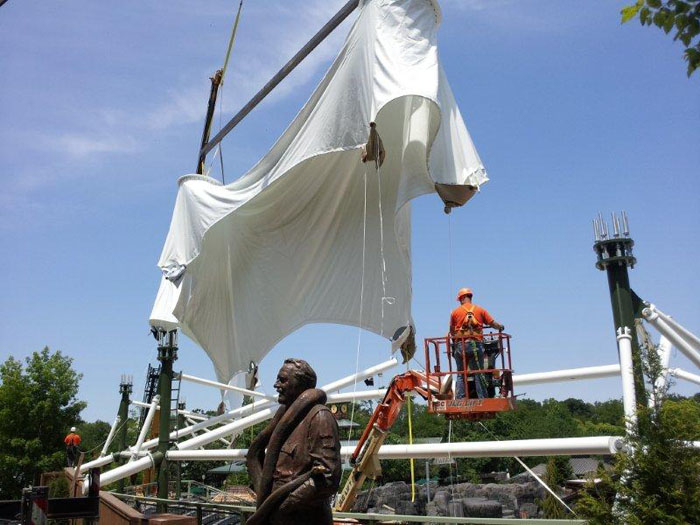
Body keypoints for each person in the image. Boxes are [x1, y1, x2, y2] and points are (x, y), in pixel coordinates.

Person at [246, 358, 341, 525]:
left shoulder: (320, 417)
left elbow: (328, 478)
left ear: (301, 384)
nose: (276, 385)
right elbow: (256, 456)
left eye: (283, 380)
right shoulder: (282, 419)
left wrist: (282, 506)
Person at [449, 288, 505, 399]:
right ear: (470, 297)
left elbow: (452, 331)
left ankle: (460, 398)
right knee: (479, 373)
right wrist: (500, 327)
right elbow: (492, 323)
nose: (459, 301)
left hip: (461, 346)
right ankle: (482, 398)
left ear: (463, 298)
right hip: (476, 344)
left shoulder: (455, 312)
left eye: (460, 299)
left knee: (461, 373)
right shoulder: (480, 310)